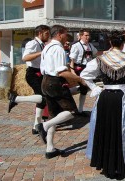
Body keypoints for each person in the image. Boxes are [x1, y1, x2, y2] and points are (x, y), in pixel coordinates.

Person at [81, 30, 125, 179]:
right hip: (122, 98)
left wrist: (96, 89)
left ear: (110, 43)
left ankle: (106, 162)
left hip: (105, 98)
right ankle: (121, 162)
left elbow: (85, 74)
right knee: (122, 130)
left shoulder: (101, 59)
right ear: (123, 43)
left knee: (105, 128)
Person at [38, 25, 86, 159]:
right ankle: (43, 125)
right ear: (59, 34)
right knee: (71, 112)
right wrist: (80, 79)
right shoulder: (58, 48)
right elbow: (62, 72)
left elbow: (43, 69)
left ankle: (50, 148)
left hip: (45, 81)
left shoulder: (46, 47)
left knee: (53, 116)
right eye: (65, 34)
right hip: (54, 82)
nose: (67, 37)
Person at [8, 25, 50, 135]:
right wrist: (42, 52)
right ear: (40, 33)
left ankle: (36, 126)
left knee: (42, 99)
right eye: (46, 33)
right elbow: (25, 57)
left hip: (39, 73)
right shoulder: (33, 43)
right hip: (32, 73)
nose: (48, 35)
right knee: (42, 97)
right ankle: (16, 99)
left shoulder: (42, 44)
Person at [69, 29, 97, 116]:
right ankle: (68, 96)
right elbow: (72, 60)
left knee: (84, 88)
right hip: (79, 68)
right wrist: (72, 71)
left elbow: (96, 53)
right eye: (86, 35)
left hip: (88, 68)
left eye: (88, 35)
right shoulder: (76, 46)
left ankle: (80, 110)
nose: (88, 37)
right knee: (82, 86)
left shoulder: (91, 46)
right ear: (81, 36)